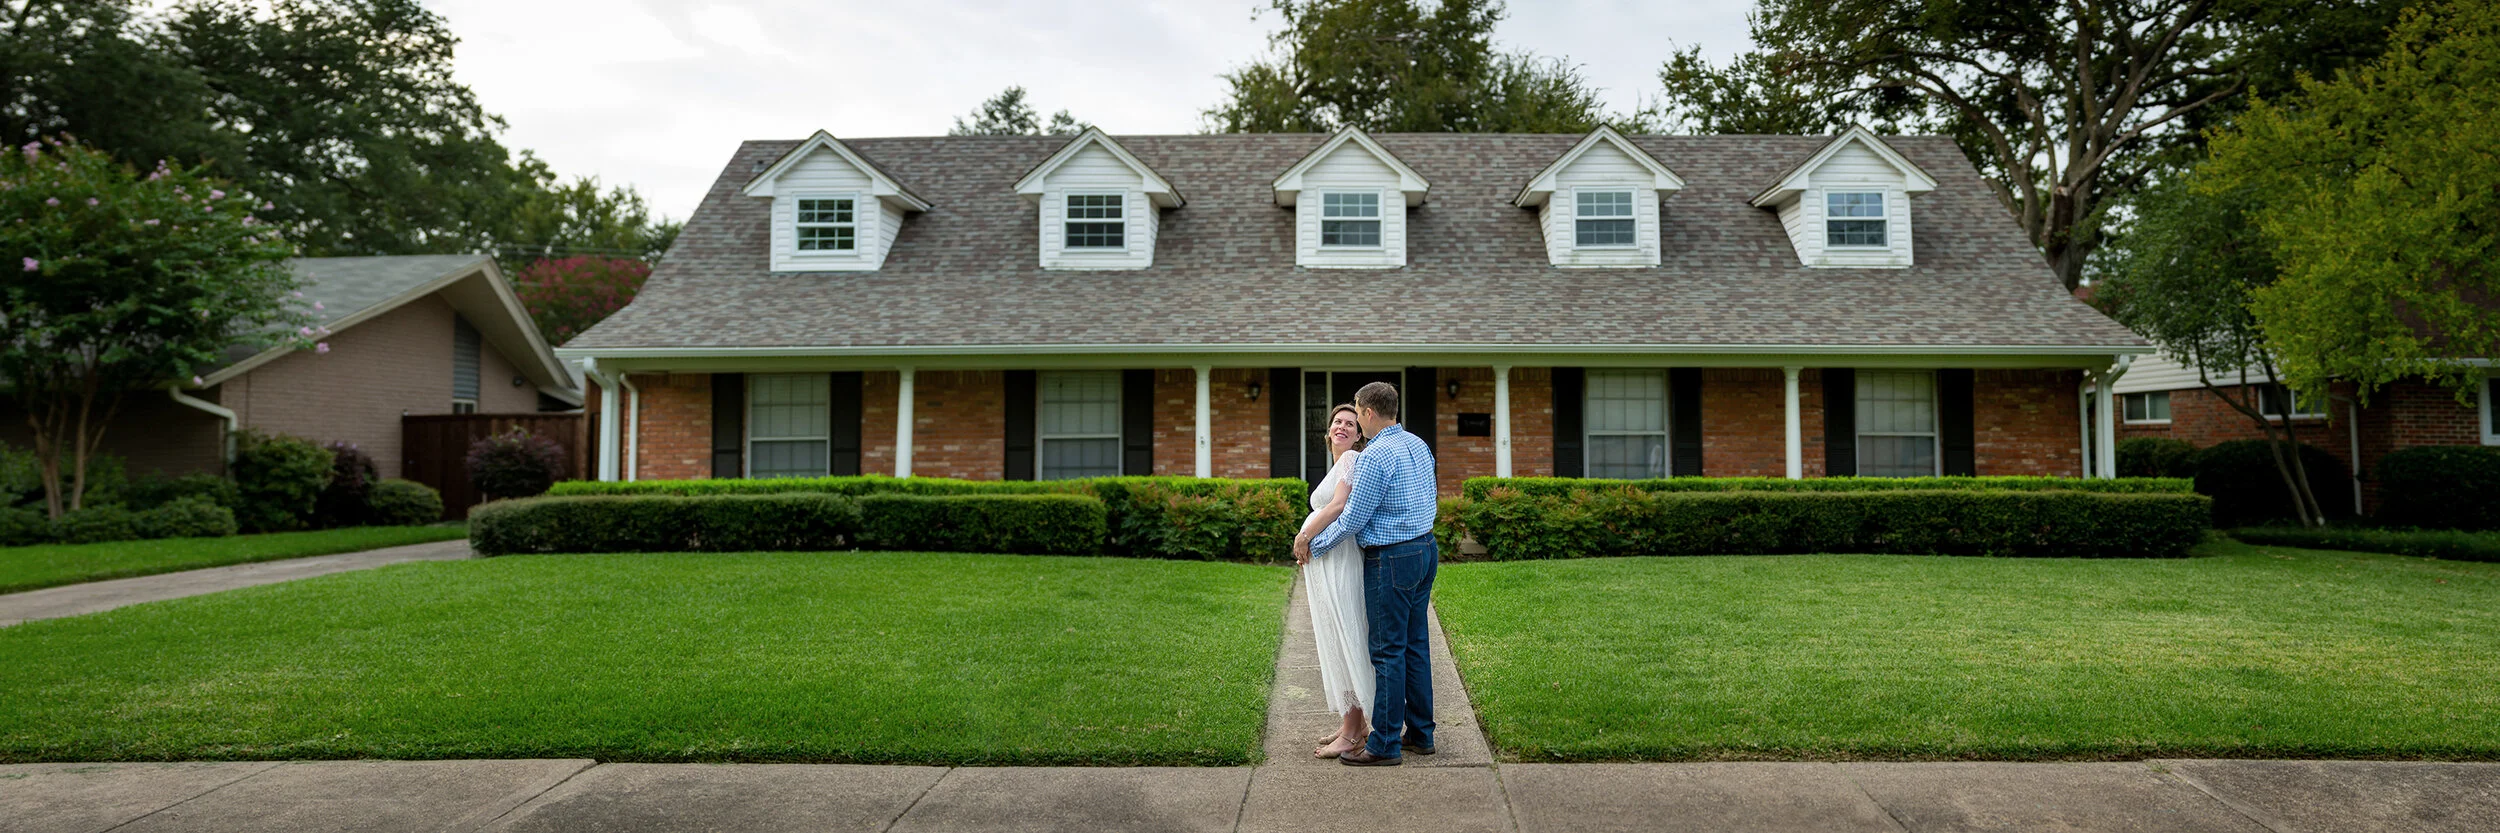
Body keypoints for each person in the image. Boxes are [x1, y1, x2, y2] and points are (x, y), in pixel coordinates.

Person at [1296, 381, 1438, 766]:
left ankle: (1385, 744)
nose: (1354, 419)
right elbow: (1431, 498)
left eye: (1356, 412)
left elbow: (1354, 516)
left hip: (1392, 558)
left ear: (1368, 413)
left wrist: (1315, 545)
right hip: (1426, 550)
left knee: (1387, 650)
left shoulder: (1375, 455)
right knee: (1414, 644)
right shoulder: (1417, 445)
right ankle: (1421, 734)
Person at [1297, 404, 1372, 759]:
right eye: (1337, 422)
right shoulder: (1338, 465)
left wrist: (1304, 535)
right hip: (1328, 564)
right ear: (1328, 431)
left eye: (1350, 424)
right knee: (1335, 639)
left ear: (1359, 435)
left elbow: (1339, 506)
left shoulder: (1352, 461)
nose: (1342, 427)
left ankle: (1354, 733)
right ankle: (1351, 725)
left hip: (1342, 563)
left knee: (1346, 637)